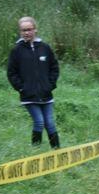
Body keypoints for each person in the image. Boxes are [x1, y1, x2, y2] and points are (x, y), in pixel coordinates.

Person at [6, 16, 60, 149]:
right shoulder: (16, 50)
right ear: (20, 32)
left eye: (29, 29)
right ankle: (35, 152)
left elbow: (54, 67)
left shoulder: (45, 48)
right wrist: (21, 88)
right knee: (39, 122)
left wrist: (50, 85)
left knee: (50, 123)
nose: (26, 33)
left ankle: (57, 151)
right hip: (28, 95)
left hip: (46, 94)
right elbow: (11, 72)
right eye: (23, 30)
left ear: (35, 30)